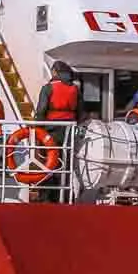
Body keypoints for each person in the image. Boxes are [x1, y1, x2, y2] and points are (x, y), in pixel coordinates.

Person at [30, 61, 81, 203]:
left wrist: (37, 132)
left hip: (51, 130)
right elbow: (80, 112)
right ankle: (64, 197)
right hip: (69, 131)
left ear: (55, 72)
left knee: (49, 163)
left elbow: (41, 111)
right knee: (66, 163)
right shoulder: (75, 89)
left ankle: (47, 197)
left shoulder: (48, 88)